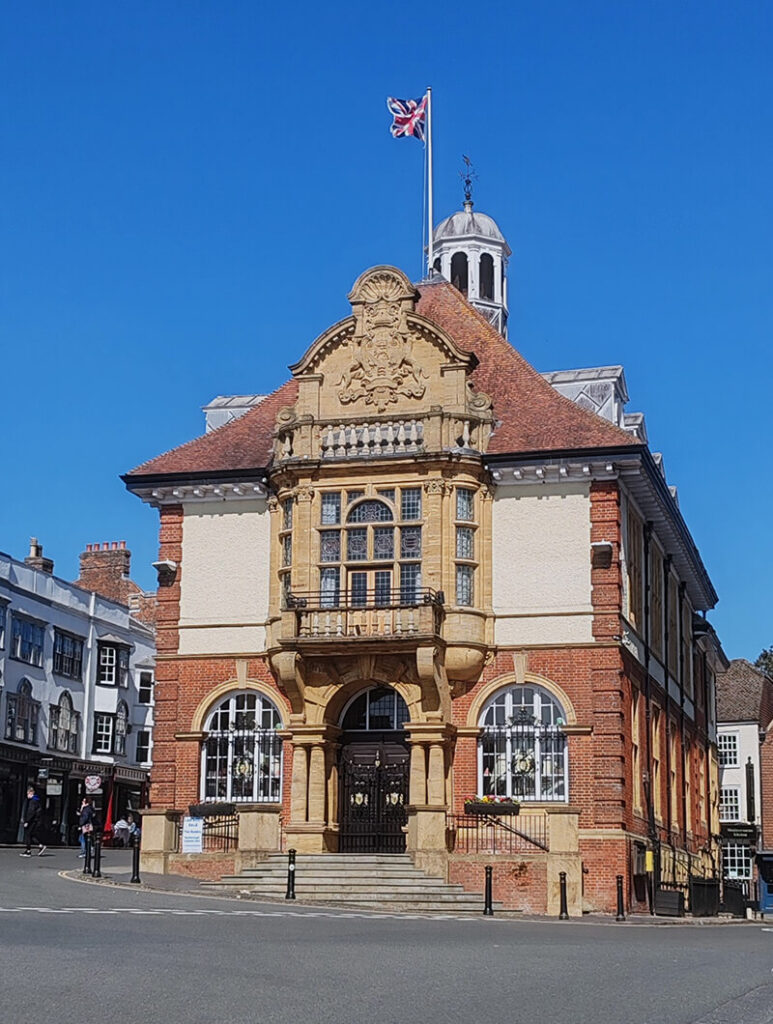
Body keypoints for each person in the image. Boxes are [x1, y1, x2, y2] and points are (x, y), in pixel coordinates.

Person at [21, 786, 46, 857]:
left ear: (31, 793)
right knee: (32, 834)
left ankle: (28, 851)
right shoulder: (37, 800)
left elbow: (31, 812)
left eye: (28, 793)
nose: (27, 795)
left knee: (28, 835)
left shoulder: (32, 801)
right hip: (36, 820)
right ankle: (40, 845)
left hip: (32, 821)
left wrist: (27, 821)